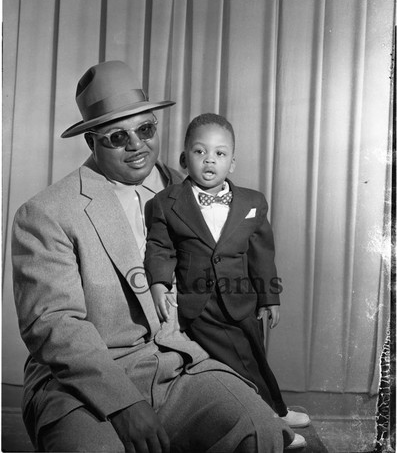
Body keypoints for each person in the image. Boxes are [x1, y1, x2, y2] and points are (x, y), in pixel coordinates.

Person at [12, 61, 296, 453]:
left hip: (179, 362)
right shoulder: (46, 213)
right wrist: (123, 403)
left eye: (146, 129)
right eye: (117, 136)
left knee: (258, 429)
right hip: (80, 382)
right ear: (90, 141)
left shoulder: (185, 188)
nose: (136, 145)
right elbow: (54, 325)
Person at [145, 113, 310, 450]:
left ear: (232, 163)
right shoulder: (164, 203)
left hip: (241, 300)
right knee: (231, 365)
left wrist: (269, 298)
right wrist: (159, 283)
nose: (210, 160)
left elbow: (261, 254)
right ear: (184, 158)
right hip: (198, 304)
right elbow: (160, 248)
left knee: (254, 356)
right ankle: (270, 427)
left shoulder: (252, 202)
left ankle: (274, 409)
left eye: (220, 154)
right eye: (200, 152)